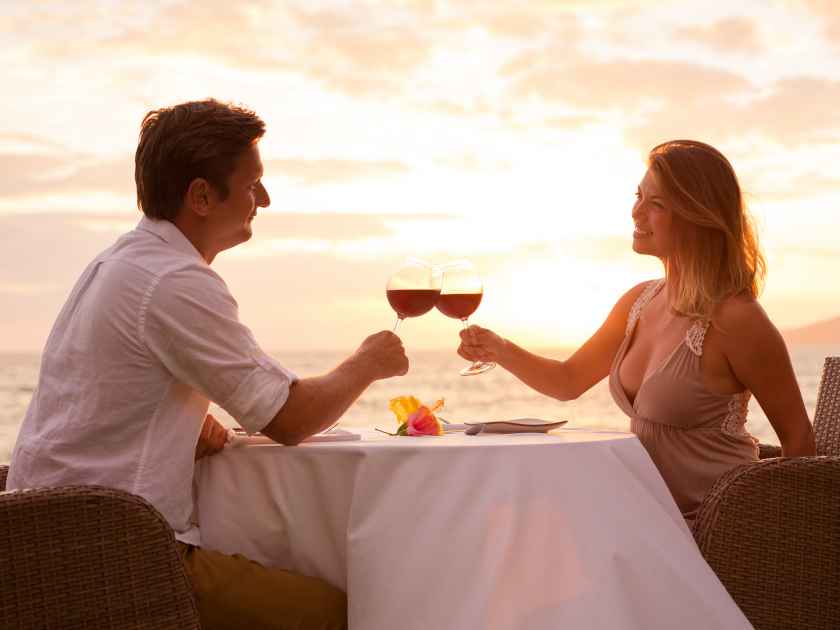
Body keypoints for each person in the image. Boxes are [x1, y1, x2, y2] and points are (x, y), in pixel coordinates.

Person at [7, 99, 409, 630]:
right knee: (343, 614)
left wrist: (178, 429)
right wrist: (367, 361)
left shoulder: (116, 265)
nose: (263, 199)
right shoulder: (174, 280)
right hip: (120, 552)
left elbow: (98, 400)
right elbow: (289, 419)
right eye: (252, 184)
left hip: (33, 547)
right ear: (200, 195)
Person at [457, 139, 815, 524]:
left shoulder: (738, 320)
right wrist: (499, 349)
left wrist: (773, 539)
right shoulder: (638, 301)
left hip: (711, 529)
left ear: (698, 217)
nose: (636, 212)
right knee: (518, 513)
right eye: (638, 196)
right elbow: (568, 381)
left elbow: (800, 442)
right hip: (647, 515)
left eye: (656, 204)